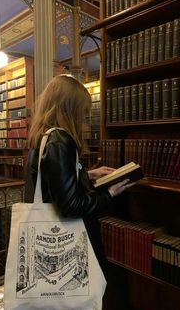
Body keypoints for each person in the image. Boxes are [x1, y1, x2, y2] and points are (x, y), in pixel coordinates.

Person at [24, 74, 135, 289]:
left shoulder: (43, 135)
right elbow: (71, 206)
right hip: (68, 238)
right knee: (82, 291)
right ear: (70, 107)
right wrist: (109, 193)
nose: (84, 118)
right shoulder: (60, 140)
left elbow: (50, 180)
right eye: (82, 111)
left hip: (45, 234)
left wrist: (86, 174)